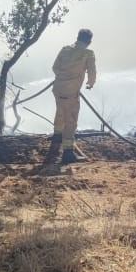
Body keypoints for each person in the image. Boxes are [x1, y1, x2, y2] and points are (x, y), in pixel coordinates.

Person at [42, 28, 97, 168]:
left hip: (58, 89)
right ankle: (67, 152)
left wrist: (64, 77)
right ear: (89, 41)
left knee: (60, 112)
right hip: (71, 93)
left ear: (77, 37)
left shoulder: (65, 49)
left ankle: (56, 136)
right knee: (71, 120)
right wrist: (90, 84)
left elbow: (55, 68)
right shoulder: (88, 53)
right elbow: (92, 73)